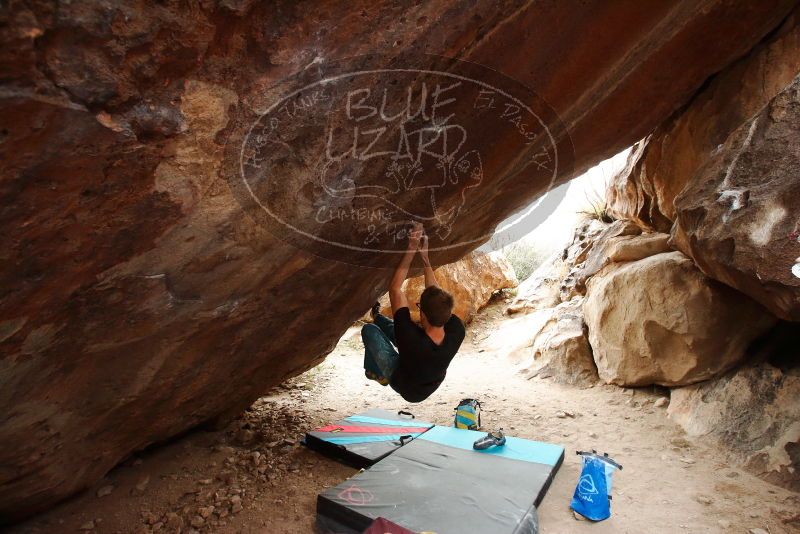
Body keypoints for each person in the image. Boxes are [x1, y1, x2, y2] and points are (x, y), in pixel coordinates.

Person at [361, 222, 465, 403]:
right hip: (426, 374)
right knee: (391, 326)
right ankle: (378, 317)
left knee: (369, 331)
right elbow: (435, 297)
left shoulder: (412, 339)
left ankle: (375, 372)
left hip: (407, 386)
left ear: (422, 314)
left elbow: (395, 289)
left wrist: (411, 248)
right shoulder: (457, 330)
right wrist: (425, 257)